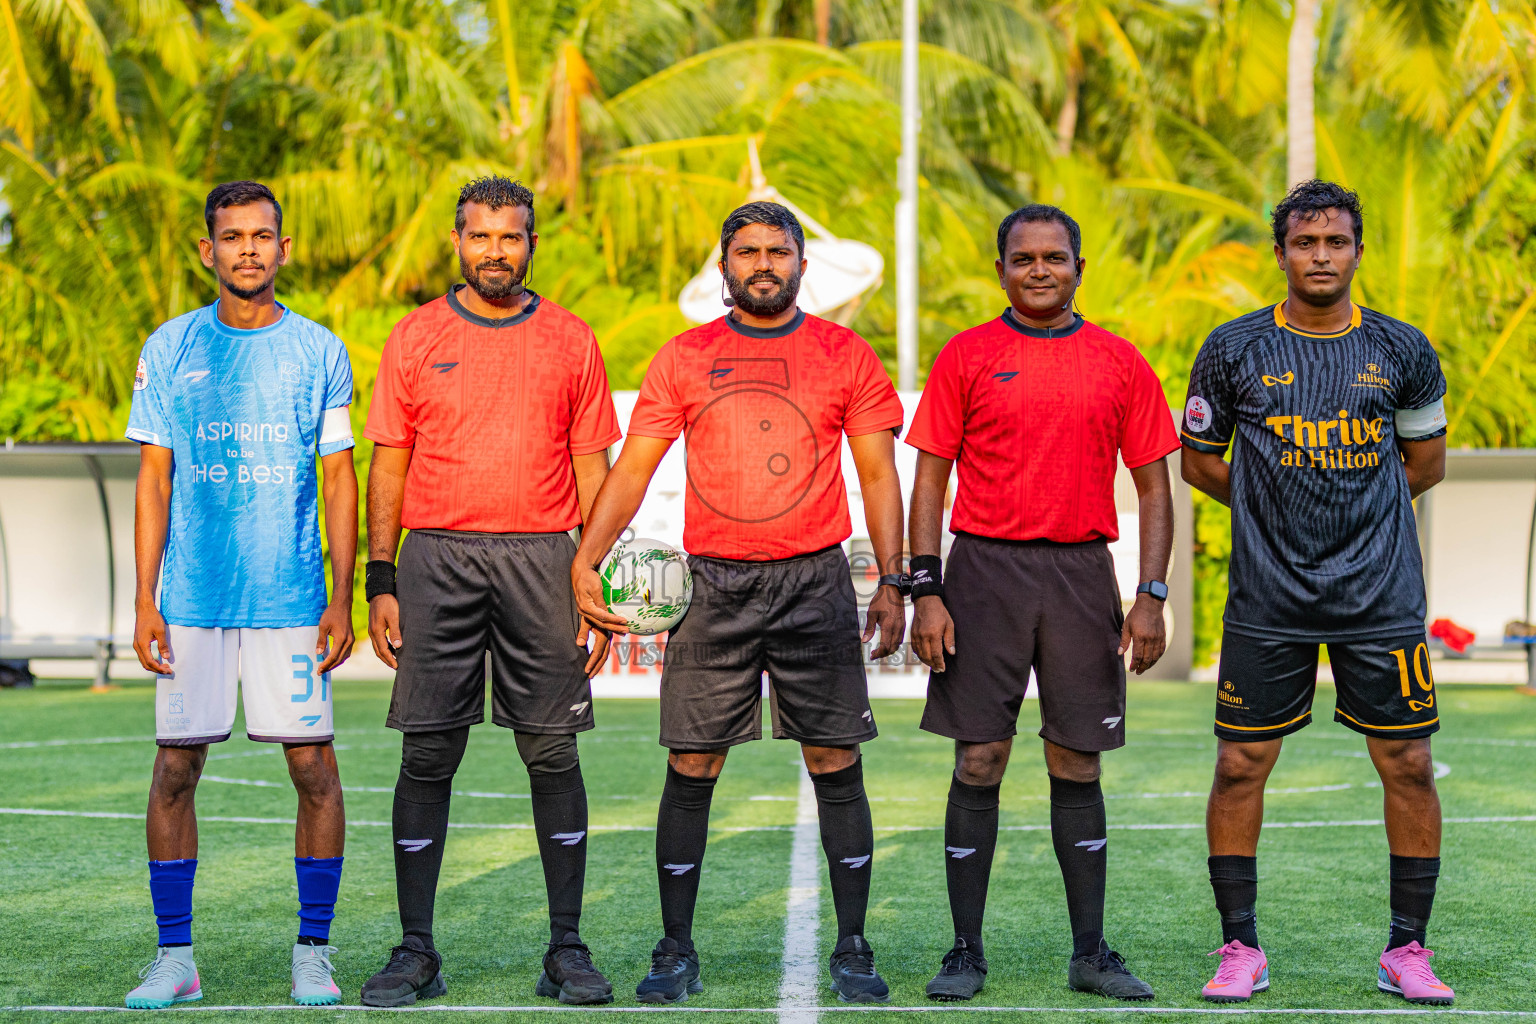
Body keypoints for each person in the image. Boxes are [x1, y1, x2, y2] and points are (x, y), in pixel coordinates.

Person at [571, 201, 907, 1004]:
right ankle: (675, 949)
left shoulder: (845, 354)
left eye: (778, 251)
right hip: (711, 587)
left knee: (834, 760)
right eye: (747, 252)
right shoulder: (684, 357)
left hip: (815, 584)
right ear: (723, 267)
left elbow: (878, 476)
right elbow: (633, 471)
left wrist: (895, 576)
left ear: (801, 263)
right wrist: (585, 559)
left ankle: (854, 946)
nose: (764, 263)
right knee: (692, 762)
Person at [1180, 180, 1452, 1005]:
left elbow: (1425, 464)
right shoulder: (1232, 350)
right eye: (1306, 243)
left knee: (1406, 761)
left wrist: (1355, 515)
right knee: (1239, 765)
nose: (1321, 256)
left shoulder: (1405, 351)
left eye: (1336, 242)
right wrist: (1273, 509)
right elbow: (1199, 460)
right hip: (1269, 598)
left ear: (1359, 251)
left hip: (1382, 595)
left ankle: (1407, 952)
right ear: (1282, 253)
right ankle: (1239, 949)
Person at [358, 176, 620, 1007]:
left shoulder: (572, 339)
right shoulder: (415, 336)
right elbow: (389, 464)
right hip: (436, 560)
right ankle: (415, 951)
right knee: (428, 752)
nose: (495, 251)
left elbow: (593, 472)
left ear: (531, 244)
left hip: (544, 559)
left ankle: (567, 950)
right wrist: (381, 579)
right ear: (458, 242)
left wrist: (595, 576)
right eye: (480, 237)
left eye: (510, 237)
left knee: (552, 751)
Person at [907, 204, 1177, 1002]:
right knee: (980, 758)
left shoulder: (1119, 362)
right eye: (1021, 258)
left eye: (1053, 257)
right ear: (1000, 271)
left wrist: (1151, 594)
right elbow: (929, 478)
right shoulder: (967, 355)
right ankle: (964, 952)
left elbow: (1153, 485)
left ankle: (1090, 952)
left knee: (1075, 758)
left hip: (1080, 574)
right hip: (982, 572)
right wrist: (927, 588)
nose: (1038, 270)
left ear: (1078, 269)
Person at [123, 181, 358, 1008]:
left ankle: (313, 952)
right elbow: (155, 478)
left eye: (263, 236)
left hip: (291, 596)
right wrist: (145, 600)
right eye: (233, 237)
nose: (248, 249)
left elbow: (338, 478)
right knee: (176, 769)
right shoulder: (172, 347)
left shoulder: (320, 350)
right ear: (207, 251)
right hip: (191, 598)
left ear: (284, 249)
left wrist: (340, 597)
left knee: (314, 769)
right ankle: (175, 957)